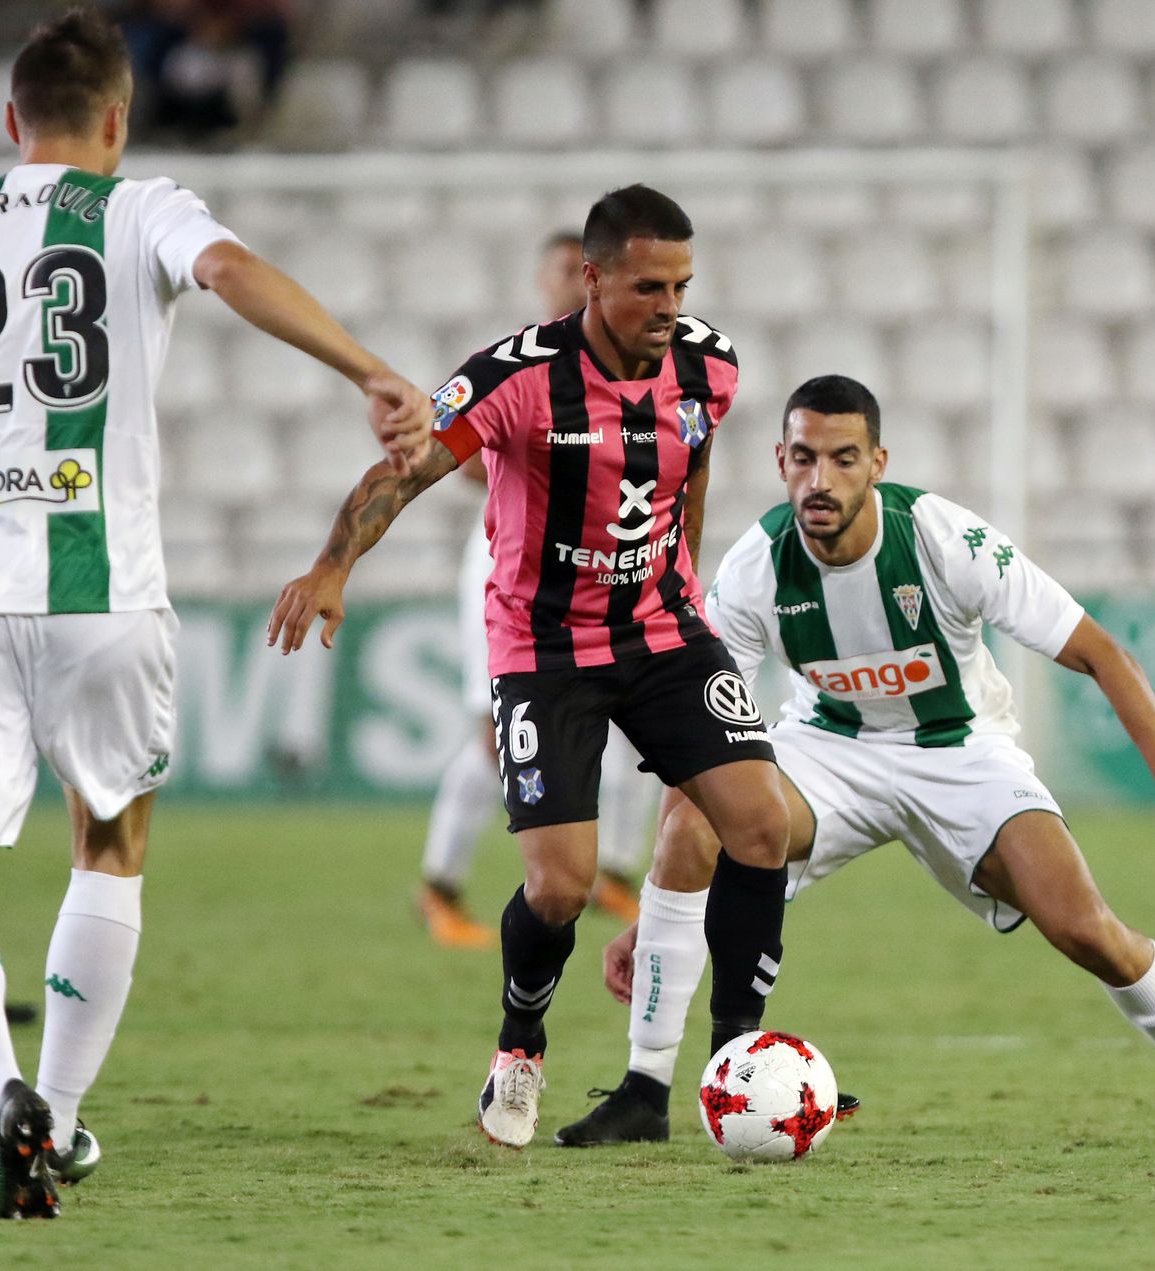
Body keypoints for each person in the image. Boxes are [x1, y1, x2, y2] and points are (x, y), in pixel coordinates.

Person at [556, 375, 1155, 1150]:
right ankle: (645, 1089)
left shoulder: (943, 540)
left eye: (842, 457)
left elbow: (1104, 653)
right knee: (696, 820)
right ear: (779, 460)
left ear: (878, 462)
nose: (819, 478)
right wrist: (662, 899)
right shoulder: (756, 566)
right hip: (829, 749)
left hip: (961, 751)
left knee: (1084, 928)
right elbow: (707, 742)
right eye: (803, 458)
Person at [0, 9, 431, 1220]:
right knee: (107, 845)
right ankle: (50, 1118)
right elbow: (228, 270)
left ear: (10, 123)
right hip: (100, 580)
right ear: (117, 120)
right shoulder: (140, 203)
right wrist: (364, 365)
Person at [268, 185, 792, 1150]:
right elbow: (408, 469)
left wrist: (688, 589)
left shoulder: (710, 364)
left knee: (762, 823)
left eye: (681, 282)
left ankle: (736, 1065)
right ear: (591, 278)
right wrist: (334, 564)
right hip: (544, 649)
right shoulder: (518, 375)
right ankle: (520, 1045)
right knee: (561, 887)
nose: (669, 304)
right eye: (647, 285)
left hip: (665, 631)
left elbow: (697, 466)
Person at [417, 230, 653, 948]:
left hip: (594, 561)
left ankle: (614, 870)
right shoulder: (514, 363)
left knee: (638, 712)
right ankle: (440, 886)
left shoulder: (627, 366)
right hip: (506, 561)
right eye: (560, 270)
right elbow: (444, 450)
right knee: (499, 731)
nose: (573, 284)